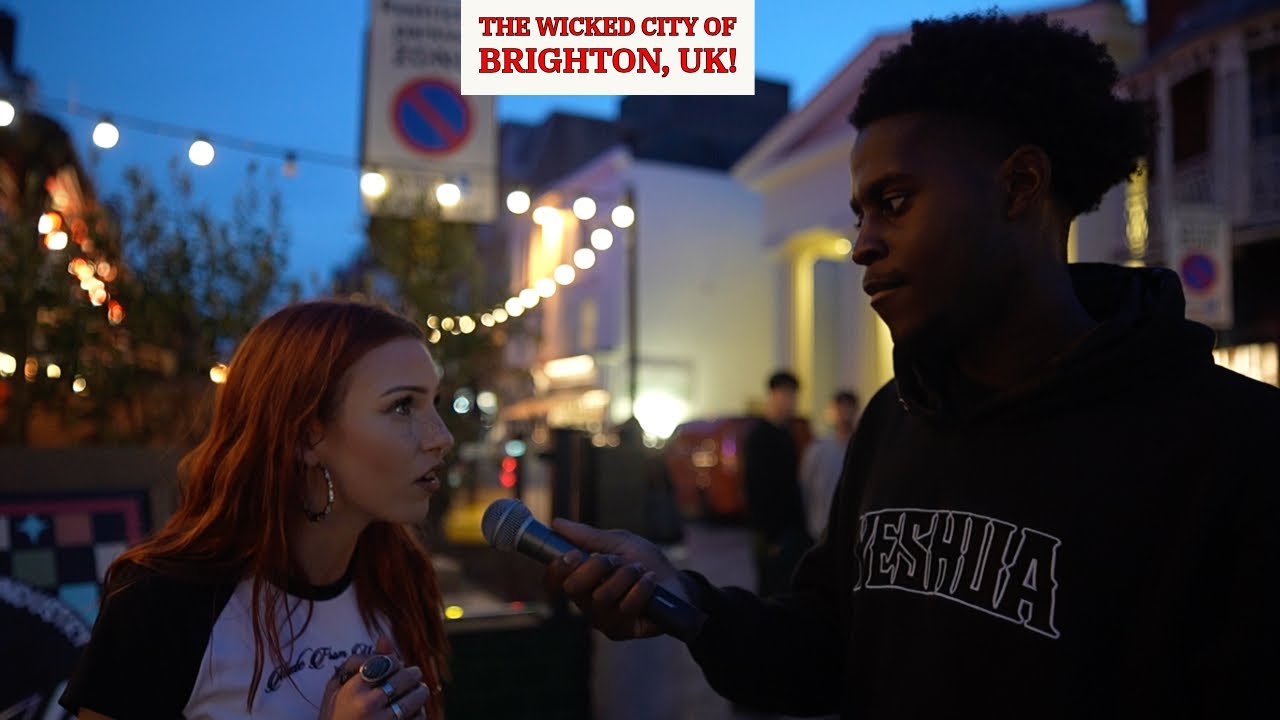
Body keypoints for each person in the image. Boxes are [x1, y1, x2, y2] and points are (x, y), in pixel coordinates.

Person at [543, 11, 1280, 718]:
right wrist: (688, 604)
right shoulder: (895, 417)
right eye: (860, 212)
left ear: (1019, 185)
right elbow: (830, 648)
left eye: (894, 202)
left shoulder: (1231, 448)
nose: (862, 242)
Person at [60, 300, 453, 719]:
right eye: (402, 406)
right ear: (307, 436)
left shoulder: (399, 576)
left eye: (434, 403)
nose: (441, 437)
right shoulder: (164, 600)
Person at [741, 371, 811, 596]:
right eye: (787, 394)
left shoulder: (787, 434)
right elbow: (756, 487)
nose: (791, 401)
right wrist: (770, 535)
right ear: (773, 395)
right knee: (771, 592)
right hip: (771, 534)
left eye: (793, 395)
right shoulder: (759, 436)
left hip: (790, 531)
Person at [798, 390, 860, 540]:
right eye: (841, 408)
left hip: (853, 531)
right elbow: (804, 488)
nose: (845, 413)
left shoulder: (863, 449)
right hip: (819, 530)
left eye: (849, 408)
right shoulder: (817, 449)